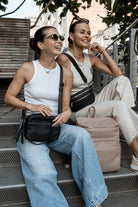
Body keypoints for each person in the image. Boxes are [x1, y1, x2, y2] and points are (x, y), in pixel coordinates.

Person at [4, 26, 108, 207]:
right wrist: (31, 106)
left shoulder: (65, 72)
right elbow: (9, 97)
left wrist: (66, 113)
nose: (59, 40)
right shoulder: (28, 68)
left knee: (82, 136)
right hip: (31, 128)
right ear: (40, 44)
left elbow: (66, 108)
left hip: (55, 126)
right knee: (44, 174)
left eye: (60, 37)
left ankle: (95, 200)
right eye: (53, 37)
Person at [57, 16, 138, 171]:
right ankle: (136, 155)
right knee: (119, 106)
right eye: (82, 32)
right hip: (76, 111)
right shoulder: (63, 58)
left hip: (93, 102)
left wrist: (102, 50)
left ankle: (126, 129)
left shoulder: (91, 58)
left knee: (123, 80)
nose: (87, 35)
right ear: (71, 36)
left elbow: (116, 72)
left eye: (89, 32)